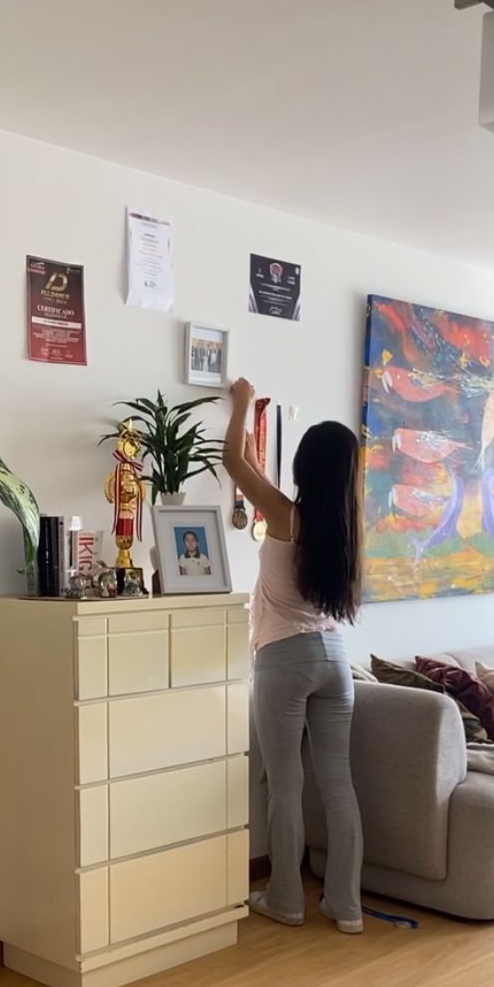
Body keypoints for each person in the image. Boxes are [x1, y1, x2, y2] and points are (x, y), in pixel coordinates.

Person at [223, 378, 364, 934]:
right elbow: (253, 470)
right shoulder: (345, 528)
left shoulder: (286, 516)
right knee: (338, 784)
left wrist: (240, 403)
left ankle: (286, 898)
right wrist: (251, 426)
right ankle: (346, 907)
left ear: (305, 466)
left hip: (285, 659)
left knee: (285, 785)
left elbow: (233, 465)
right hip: (335, 660)